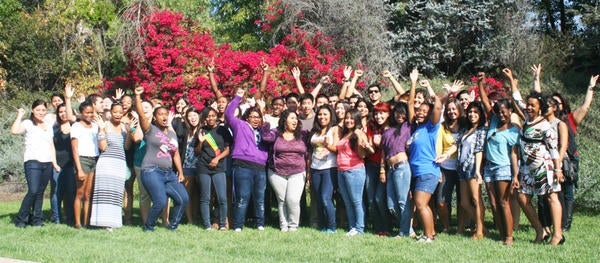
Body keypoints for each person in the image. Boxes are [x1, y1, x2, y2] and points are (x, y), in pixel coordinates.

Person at [134, 86, 189, 231]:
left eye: (166, 114)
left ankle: (173, 227)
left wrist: (181, 173)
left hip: (168, 173)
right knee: (160, 201)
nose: (164, 117)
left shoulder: (172, 134)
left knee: (183, 198)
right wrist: (138, 96)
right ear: (154, 117)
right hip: (151, 171)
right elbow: (141, 114)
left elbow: (175, 153)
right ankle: (149, 227)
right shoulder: (150, 130)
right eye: (160, 114)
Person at [513, 92, 564, 245]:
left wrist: (557, 170)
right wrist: (511, 82)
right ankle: (540, 230)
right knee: (522, 198)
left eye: (532, 105)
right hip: (527, 168)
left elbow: (554, 149)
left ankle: (557, 234)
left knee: (551, 197)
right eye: (528, 104)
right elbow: (518, 100)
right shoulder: (528, 119)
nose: (528, 107)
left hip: (544, 166)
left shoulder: (545, 126)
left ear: (540, 107)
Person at [549, 74, 598, 232]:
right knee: (556, 190)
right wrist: (536, 79)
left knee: (568, 191)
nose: (555, 105)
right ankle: (556, 221)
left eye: (558, 102)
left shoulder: (570, 119)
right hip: (552, 158)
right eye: (552, 102)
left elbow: (585, 106)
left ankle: (566, 224)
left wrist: (591, 87)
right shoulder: (546, 120)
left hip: (569, 160)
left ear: (563, 105)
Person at [479, 72, 520, 245]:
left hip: (502, 167)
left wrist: (515, 175)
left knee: (504, 203)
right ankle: (502, 233)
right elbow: (484, 101)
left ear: (510, 111)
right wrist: (481, 83)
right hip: (488, 167)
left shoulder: (514, 131)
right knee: (494, 204)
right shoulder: (494, 121)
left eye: (504, 112)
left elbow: (514, 154)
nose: (501, 115)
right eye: (499, 112)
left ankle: (509, 237)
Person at [11, 100, 60, 227]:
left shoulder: (48, 125)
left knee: (40, 192)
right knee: (33, 190)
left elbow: (51, 145)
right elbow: (14, 131)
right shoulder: (28, 123)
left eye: (43, 110)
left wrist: (54, 163)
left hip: (47, 162)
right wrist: (20, 115)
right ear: (33, 110)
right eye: (38, 110)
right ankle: (21, 218)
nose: (41, 112)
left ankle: (37, 220)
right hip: (33, 162)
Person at [406, 70, 442, 242]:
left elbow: (438, 107)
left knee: (421, 203)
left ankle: (429, 237)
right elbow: (410, 104)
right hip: (417, 171)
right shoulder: (418, 129)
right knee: (421, 204)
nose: (419, 112)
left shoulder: (431, 127)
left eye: (424, 111)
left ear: (430, 114)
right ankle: (430, 233)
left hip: (428, 170)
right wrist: (413, 82)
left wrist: (430, 89)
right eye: (419, 110)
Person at [225, 87, 269, 232]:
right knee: (242, 198)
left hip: (260, 167)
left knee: (260, 198)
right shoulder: (240, 125)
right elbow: (228, 114)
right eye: (253, 116)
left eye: (258, 117)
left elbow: (269, 132)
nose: (256, 119)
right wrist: (237, 97)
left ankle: (260, 224)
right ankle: (238, 225)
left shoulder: (262, 130)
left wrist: (263, 111)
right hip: (242, 165)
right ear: (247, 117)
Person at [262, 110, 309, 232]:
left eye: (296, 118)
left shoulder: (303, 134)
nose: (295, 121)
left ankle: (293, 226)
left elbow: (309, 151)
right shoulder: (276, 133)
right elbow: (265, 137)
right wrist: (266, 121)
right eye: (292, 118)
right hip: (276, 172)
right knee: (282, 200)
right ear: (284, 120)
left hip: (298, 172)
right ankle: (284, 225)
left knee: (293, 200)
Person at [90, 103, 132, 230]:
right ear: (111, 112)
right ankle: (101, 222)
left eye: (120, 112)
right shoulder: (105, 125)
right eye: (115, 112)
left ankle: (113, 221)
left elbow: (126, 147)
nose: (118, 114)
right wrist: (101, 129)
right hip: (106, 162)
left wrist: (129, 133)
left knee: (116, 193)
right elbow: (102, 147)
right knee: (104, 192)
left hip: (119, 163)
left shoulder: (125, 127)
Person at [381, 99, 414, 237]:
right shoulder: (388, 131)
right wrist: (382, 169)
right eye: (397, 113)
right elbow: (383, 152)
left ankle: (403, 231)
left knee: (402, 201)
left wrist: (413, 82)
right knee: (391, 205)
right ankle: (409, 230)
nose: (399, 116)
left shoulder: (408, 127)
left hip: (402, 167)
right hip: (390, 169)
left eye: (402, 113)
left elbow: (411, 103)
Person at [337, 110, 372, 236]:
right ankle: (352, 227)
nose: (348, 120)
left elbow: (363, 154)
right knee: (347, 200)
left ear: (357, 120)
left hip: (354, 170)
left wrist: (363, 144)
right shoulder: (345, 134)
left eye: (352, 118)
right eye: (347, 118)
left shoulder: (358, 133)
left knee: (356, 200)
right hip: (341, 170)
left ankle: (360, 228)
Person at [196, 107, 231, 230]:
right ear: (205, 118)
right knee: (205, 198)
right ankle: (207, 225)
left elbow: (227, 149)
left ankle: (222, 224)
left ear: (216, 116)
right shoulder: (202, 131)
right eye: (208, 116)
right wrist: (200, 142)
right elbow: (197, 152)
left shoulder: (222, 130)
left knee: (222, 197)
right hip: (203, 167)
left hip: (219, 167)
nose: (211, 118)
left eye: (213, 115)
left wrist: (217, 159)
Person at [456, 101, 487, 240]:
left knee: (476, 199)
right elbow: (457, 146)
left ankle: (479, 231)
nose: (472, 114)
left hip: (473, 167)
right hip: (462, 167)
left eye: (475, 112)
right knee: (464, 202)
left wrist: (478, 170)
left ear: (481, 114)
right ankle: (483, 227)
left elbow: (479, 149)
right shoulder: (465, 130)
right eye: (470, 112)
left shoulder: (481, 130)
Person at [309, 105, 339, 233]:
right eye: (320, 114)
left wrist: (327, 145)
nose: (322, 117)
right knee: (318, 199)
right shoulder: (315, 131)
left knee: (326, 198)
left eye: (325, 114)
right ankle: (322, 226)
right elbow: (311, 152)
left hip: (329, 168)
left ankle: (332, 227)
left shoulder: (334, 129)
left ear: (331, 115)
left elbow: (337, 149)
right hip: (315, 168)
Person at [70, 99, 100, 229]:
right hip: (82, 160)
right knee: (80, 193)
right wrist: (79, 169)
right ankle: (77, 223)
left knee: (89, 194)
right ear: (81, 113)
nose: (89, 115)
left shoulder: (95, 126)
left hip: (94, 159)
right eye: (86, 113)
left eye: (91, 112)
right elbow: (74, 148)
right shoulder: (76, 126)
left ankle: (87, 222)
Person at [434, 98, 462, 234]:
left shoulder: (465, 125)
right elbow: (438, 147)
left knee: (463, 201)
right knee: (441, 201)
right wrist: (438, 167)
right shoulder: (442, 127)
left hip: (463, 168)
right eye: (449, 109)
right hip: (445, 168)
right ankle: (446, 226)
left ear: (459, 110)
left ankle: (461, 227)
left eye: (454, 109)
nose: (451, 112)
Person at [365, 102, 393, 236]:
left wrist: (381, 143)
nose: (378, 116)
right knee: (371, 198)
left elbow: (387, 150)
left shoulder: (392, 129)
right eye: (376, 113)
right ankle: (378, 228)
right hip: (371, 165)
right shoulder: (371, 127)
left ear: (388, 114)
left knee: (379, 198)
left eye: (382, 113)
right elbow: (370, 146)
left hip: (385, 167)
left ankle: (387, 227)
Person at [52, 102, 76, 225]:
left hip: (71, 165)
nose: (63, 114)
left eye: (65, 111)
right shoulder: (54, 128)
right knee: (56, 193)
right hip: (57, 164)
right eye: (60, 112)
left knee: (71, 192)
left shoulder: (75, 126)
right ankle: (57, 218)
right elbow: (51, 147)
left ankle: (71, 218)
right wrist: (54, 163)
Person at [178, 107, 202, 224]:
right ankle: (190, 220)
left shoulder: (203, 130)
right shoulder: (185, 131)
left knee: (197, 194)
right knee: (187, 194)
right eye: (190, 116)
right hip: (187, 166)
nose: (193, 118)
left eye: (195, 115)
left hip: (201, 166)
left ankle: (196, 216)